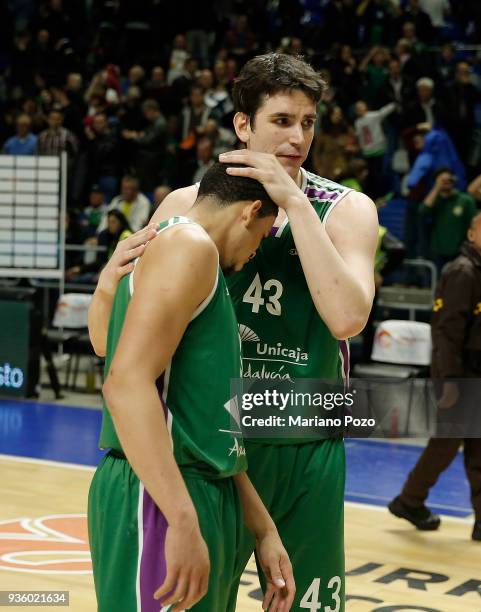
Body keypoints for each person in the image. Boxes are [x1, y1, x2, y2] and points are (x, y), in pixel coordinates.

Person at [88, 53, 378, 611]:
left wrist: (295, 201)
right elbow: (119, 351)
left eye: (309, 122)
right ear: (243, 125)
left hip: (300, 439)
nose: (298, 136)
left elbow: (346, 318)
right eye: (282, 120)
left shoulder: (346, 208)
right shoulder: (184, 210)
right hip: (211, 438)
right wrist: (104, 286)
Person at [88, 163, 295, 611]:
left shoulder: (180, 253)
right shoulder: (188, 245)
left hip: (192, 489)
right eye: (264, 234)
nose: (259, 250)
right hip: (164, 494)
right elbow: (124, 385)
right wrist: (179, 519)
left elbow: (207, 427)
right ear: (251, 211)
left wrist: (263, 529)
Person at [389, 213, 481, 542]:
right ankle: (409, 500)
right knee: (446, 443)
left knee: (473, 446)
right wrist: (450, 382)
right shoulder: (463, 271)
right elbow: (446, 333)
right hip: (461, 375)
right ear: (471, 234)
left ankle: (414, 501)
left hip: (473, 374)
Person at [418, 167, 476, 274]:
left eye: (449, 179)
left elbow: (474, 224)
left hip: (460, 251)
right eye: (442, 180)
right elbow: (423, 212)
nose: (446, 182)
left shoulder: (465, 200)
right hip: (437, 250)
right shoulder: (435, 200)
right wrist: (437, 188)